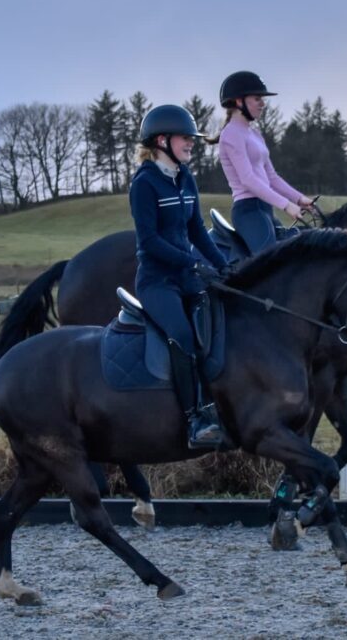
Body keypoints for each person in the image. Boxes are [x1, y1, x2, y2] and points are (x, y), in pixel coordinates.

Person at [129, 104, 231, 449]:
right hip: (157, 282)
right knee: (184, 336)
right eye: (185, 138)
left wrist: (222, 264)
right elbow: (149, 241)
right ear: (162, 141)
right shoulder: (144, 184)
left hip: (188, 277)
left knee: (216, 326)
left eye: (192, 138)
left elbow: (197, 229)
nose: (191, 143)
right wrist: (191, 262)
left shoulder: (186, 177)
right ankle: (195, 419)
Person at [211, 71, 315, 254]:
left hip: (265, 210)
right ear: (239, 101)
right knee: (270, 262)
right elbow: (247, 179)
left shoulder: (255, 134)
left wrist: (299, 199)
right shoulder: (231, 134)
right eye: (257, 98)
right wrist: (286, 205)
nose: (263, 104)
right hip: (248, 212)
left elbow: (272, 178)